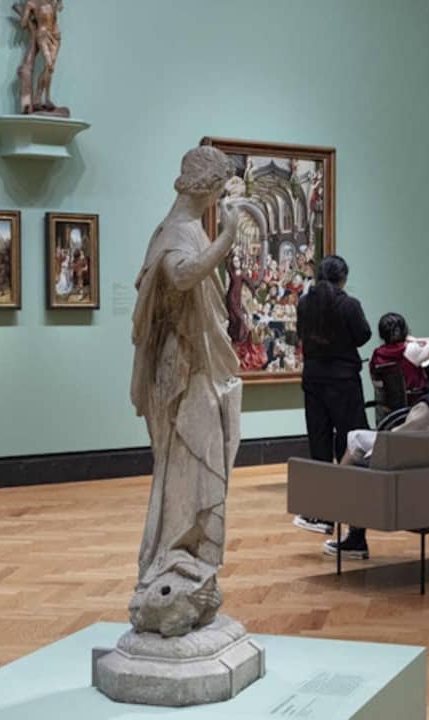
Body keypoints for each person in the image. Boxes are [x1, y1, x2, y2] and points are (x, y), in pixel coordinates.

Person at [129, 145, 241, 634]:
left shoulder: (190, 227)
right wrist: (229, 238)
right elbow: (180, 275)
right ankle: (170, 555)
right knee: (190, 456)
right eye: (219, 189)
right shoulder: (176, 230)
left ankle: (186, 554)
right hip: (182, 368)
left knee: (204, 454)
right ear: (210, 188)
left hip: (198, 365)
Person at [323, 332, 429, 559]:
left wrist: (368, 457)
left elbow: (394, 446)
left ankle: (352, 534)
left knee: (356, 453)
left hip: (422, 486)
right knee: (359, 438)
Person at [293, 255, 372, 535]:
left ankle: (323, 515)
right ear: (343, 279)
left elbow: (301, 334)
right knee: (351, 446)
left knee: (320, 447)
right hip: (344, 383)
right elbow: (363, 335)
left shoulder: (304, 304)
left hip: (314, 381)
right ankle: (355, 524)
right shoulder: (349, 305)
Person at [370, 312, 429, 397]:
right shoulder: (409, 349)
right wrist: (414, 339)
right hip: (416, 401)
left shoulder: (376, 355)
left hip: (388, 403)